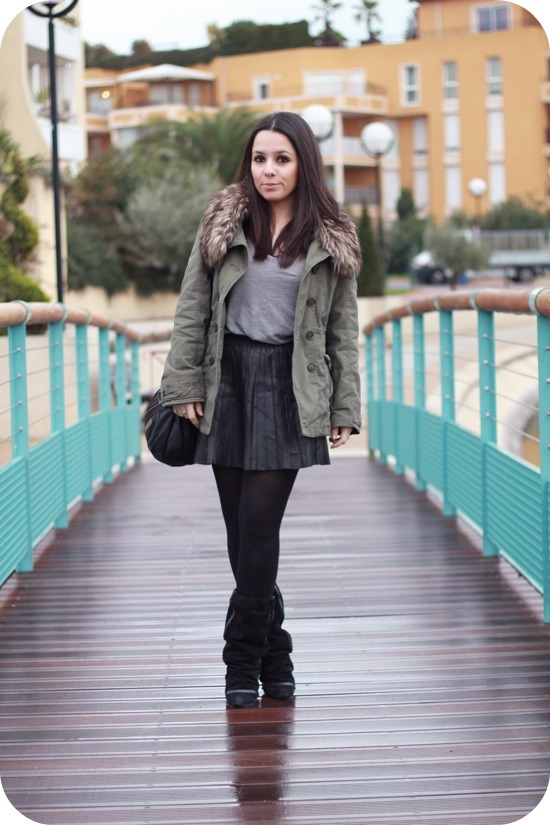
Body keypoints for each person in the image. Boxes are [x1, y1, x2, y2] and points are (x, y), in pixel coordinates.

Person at [160, 111, 362, 709]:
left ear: (304, 164)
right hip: (225, 379)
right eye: (259, 158)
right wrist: (183, 383)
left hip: (289, 384)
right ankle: (277, 654)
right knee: (238, 529)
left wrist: (344, 403)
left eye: (281, 159)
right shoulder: (224, 222)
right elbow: (192, 309)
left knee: (257, 524)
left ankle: (241, 661)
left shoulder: (332, 234)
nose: (268, 170)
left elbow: (342, 329)